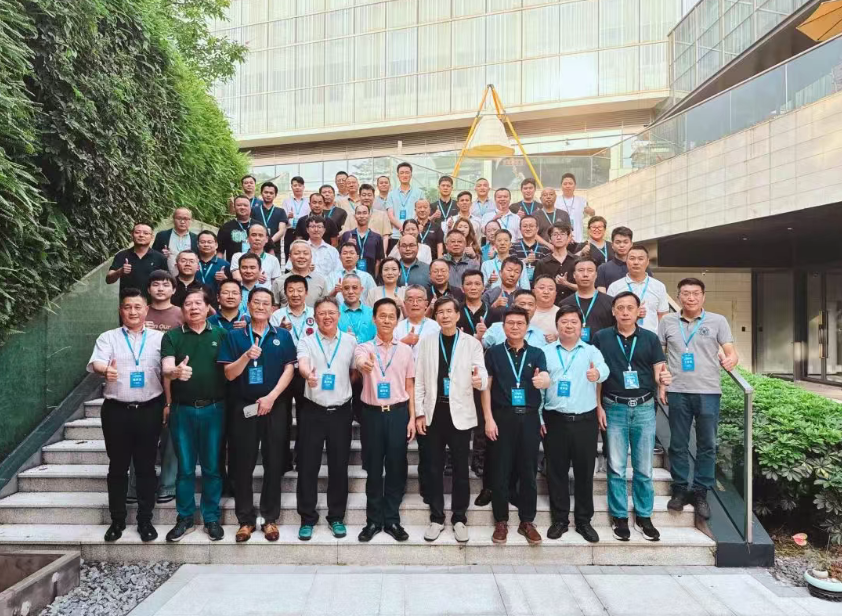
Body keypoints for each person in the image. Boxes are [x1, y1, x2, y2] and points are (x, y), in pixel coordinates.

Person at [218, 287, 297, 543]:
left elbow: (289, 369)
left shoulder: (282, 335)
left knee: (274, 462)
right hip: (244, 407)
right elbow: (229, 374)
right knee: (243, 464)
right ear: (248, 305)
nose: (261, 307)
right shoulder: (234, 336)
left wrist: (271, 397)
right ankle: (245, 520)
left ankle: (270, 518)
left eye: (266, 303)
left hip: (275, 406)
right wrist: (245, 356)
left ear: (273, 308)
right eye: (256, 302)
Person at [592, 291, 672, 542]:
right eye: (620, 307)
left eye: (630, 307)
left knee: (644, 467)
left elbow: (658, 369)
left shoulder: (649, 338)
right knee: (616, 466)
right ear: (613, 311)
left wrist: (663, 380)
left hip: (644, 408)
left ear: (638, 311)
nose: (625, 312)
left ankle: (644, 516)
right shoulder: (601, 337)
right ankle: (619, 516)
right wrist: (598, 406)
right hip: (613, 406)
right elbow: (597, 375)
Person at [86, 288, 164, 543]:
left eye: (138, 307)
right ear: (121, 310)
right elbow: (97, 362)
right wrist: (105, 370)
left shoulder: (160, 339)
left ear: (146, 310)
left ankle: (145, 520)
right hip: (116, 411)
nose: (133, 311)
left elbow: (168, 368)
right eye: (128, 307)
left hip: (149, 409)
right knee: (117, 467)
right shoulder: (108, 337)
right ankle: (117, 520)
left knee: (146, 467)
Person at [658, 278, 738, 519]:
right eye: (685, 293)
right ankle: (680, 489)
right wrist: (662, 383)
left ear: (703, 296)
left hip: (708, 391)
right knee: (678, 443)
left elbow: (730, 351)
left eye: (695, 293)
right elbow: (659, 357)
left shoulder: (717, 321)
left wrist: (732, 359)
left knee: (708, 444)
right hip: (678, 390)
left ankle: (701, 491)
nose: (690, 297)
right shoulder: (667, 321)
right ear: (678, 297)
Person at [414, 297, 488, 543]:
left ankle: (459, 518)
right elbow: (419, 380)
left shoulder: (470, 343)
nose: (445, 316)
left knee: (460, 469)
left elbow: (481, 373)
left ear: (458, 315)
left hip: (460, 415)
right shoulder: (427, 342)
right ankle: (436, 518)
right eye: (440, 312)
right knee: (433, 468)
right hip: (434, 414)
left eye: (449, 311)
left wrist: (479, 380)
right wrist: (419, 412)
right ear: (435, 316)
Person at [161, 288, 227, 542]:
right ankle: (185, 517)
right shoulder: (172, 336)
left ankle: (211, 518)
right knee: (185, 468)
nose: (193, 307)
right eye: (188, 303)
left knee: (212, 467)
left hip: (214, 409)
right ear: (182, 309)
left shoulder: (221, 334)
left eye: (198, 303)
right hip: (183, 410)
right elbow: (167, 367)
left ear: (208, 307)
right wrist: (175, 372)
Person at [482, 306, 550, 545]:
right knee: (500, 470)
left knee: (528, 471)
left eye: (520, 323)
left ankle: (527, 521)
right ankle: (501, 521)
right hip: (502, 417)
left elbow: (545, 378)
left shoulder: (537, 353)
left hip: (529, 418)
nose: (515, 327)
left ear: (527, 327)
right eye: (510, 323)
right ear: (503, 327)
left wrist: (544, 381)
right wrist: (488, 418)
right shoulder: (493, 353)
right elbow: (486, 387)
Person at [542, 304, 609, 543]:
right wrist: (539, 417)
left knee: (584, 472)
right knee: (556, 471)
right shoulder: (545, 352)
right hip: (554, 420)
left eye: (574, 322)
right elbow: (539, 387)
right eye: (564, 322)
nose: (569, 326)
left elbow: (604, 369)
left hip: (584, 421)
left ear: (582, 326)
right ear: (557, 325)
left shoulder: (591, 351)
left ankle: (583, 521)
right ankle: (560, 520)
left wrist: (597, 374)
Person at [296, 297, 358, 540]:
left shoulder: (350, 341)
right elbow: (303, 362)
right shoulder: (307, 340)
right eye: (322, 313)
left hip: (341, 412)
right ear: (315, 317)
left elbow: (354, 371)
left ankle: (336, 517)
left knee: (339, 466)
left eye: (331, 312)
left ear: (339, 315)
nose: (327, 317)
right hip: (313, 410)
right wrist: (307, 375)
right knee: (308, 466)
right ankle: (307, 518)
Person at [355, 298, 416, 542]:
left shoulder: (406, 351)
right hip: (371, 415)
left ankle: (392, 520)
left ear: (397, 320)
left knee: (396, 467)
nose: (387, 320)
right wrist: (365, 365)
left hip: (398, 414)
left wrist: (412, 418)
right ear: (374, 319)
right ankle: (372, 521)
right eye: (382, 315)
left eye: (392, 316)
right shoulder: (364, 347)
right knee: (373, 469)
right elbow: (360, 361)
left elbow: (410, 385)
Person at [606, 245, 668, 334]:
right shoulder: (615, 287)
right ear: (626, 261)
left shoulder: (659, 286)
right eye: (632, 258)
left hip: (650, 338)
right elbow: (610, 316)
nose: (636, 262)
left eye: (640, 259)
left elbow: (662, 315)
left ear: (647, 262)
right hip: (621, 337)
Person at [561, 257, 615, 342]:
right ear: (574, 275)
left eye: (590, 270)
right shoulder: (564, 304)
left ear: (596, 275)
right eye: (581, 270)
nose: (585, 274)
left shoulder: (610, 302)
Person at [106, 223, 168, 293]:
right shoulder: (121, 255)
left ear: (152, 237)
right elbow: (108, 280)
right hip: (128, 299)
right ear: (132, 235)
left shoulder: (160, 258)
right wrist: (120, 272)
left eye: (146, 233)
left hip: (152, 299)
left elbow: (166, 282)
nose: (141, 235)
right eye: (137, 232)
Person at [481, 289, 550, 350]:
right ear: (513, 306)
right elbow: (481, 346)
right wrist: (479, 336)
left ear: (535, 308)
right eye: (522, 304)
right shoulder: (497, 328)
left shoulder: (539, 334)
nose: (526, 308)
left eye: (530, 304)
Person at [273, 240, 328, 307]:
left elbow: (325, 307)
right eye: (297, 253)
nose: (301, 256)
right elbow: (274, 308)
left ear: (311, 257)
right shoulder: (279, 282)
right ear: (290, 257)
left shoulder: (320, 281)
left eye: (305, 253)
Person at [534, 222, 578, 304]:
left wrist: (567, 284)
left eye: (562, 234)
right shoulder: (542, 263)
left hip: (574, 305)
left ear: (568, 238)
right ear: (550, 240)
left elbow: (586, 288)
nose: (559, 237)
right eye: (555, 234)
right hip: (550, 305)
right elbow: (536, 289)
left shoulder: (577, 261)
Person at [386, 162, 424, 251]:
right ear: (398, 175)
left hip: (414, 234)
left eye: (407, 172)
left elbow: (421, 213)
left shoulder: (419, 193)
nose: (404, 175)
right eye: (402, 173)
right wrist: (403, 229)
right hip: (396, 235)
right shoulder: (391, 194)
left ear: (411, 175)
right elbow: (390, 215)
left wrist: (410, 229)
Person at [231, 223, 282, 290]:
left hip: (265, 295)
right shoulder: (237, 256)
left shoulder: (273, 260)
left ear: (266, 239)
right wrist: (255, 277)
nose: (257, 238)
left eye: (260, 235)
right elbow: (236, 277)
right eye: (253, 235)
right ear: (248, 238)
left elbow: (275, 285)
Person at [396, 284, 440, 361]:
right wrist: (404, 342)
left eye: (419, 300)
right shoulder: (397, 327)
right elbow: (388, 354)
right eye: (410, 300)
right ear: (404, 303)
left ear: (426, 304)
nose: (415, 304)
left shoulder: (436, 327)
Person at [341, 202, 385, 277]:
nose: (362, 216)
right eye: (359, 213)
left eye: (365, 213)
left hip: (370, 277)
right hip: (349, 277)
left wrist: (375, 279)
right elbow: (341, 257)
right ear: (355, 216)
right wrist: (347, 245)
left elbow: (378, 261)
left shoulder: (377, 237)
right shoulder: (347, 235)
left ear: (369, 215)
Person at [337, 273, 377, 343]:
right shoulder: (335, 313)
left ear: (361, 289)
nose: (350, 292)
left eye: (354, 287)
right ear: (341, 290)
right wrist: (342, 339)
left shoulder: (372, 313)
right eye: (346, 288)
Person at [251, 181, 289, 253]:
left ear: (275, 195)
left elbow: (281, 230)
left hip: (274, 249)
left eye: (271, 193)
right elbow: (250, 228)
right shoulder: (254, 210)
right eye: (266, 192)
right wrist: (261, 242)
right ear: (261, 193)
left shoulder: (281, 211)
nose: (268, 195)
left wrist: (269, 242)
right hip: (256, 248)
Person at [512, 215, 551, 283]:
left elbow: (547, 271)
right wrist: (525, 261)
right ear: (520, 229)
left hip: (538, 286)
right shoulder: (513, 248)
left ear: (537, 229)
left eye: (531, 226)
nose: (528, 229)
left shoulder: (545, 249)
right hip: (518, 284)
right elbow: (511, 267)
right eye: (525, 226)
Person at [557, 173, 595, 243]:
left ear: (575, 186)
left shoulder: (582, 200)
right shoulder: (556, 201)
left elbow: (592, 214)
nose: (568, 186)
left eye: (570, 183)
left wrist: (591, 211)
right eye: (565, 184)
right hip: (560, 240)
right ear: (561, 186)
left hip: (578, 239)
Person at [596, 226, 635, 292]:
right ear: (612, 245)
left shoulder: (640, 266)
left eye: (625, 242)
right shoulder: (602, 268)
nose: (622, 245)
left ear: (631, 244)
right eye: (618, 242)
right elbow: (602, 294)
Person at [359, 183, 394, 255]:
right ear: (359, 196)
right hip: (357, 254)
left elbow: (385, 237)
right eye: (364, 195)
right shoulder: (352, 215)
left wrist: (382, 254)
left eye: (369, 195)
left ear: (374, 197)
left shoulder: (383, 215)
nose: (366, 197)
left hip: (377, 253)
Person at [218, 195, 256, 262]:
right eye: (239, 205)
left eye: (245, 205)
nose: (242, 207)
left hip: (256, 266)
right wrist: (220, 266)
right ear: (234, 207)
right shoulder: (226, 227)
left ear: (250, 207)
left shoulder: (259, 226)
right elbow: (220, 251)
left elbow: (269, 248)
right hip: (233, 266)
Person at [196, 231, 230, 298]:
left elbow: (232, 286)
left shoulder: (225, 264)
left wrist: (225, 279)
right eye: (202, 242)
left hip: (216, 301)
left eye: (209, 242)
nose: (206, 245)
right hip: (195, 301)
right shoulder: (192, 262)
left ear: (216, 245)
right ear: (197, 244)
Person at [530, 275, 559, 342]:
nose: (546, 292)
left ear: (555, 293)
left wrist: (558, 338)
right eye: (542, 288)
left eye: (550, 289)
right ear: (533, 291)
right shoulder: (526, 311)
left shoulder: (561, 313)